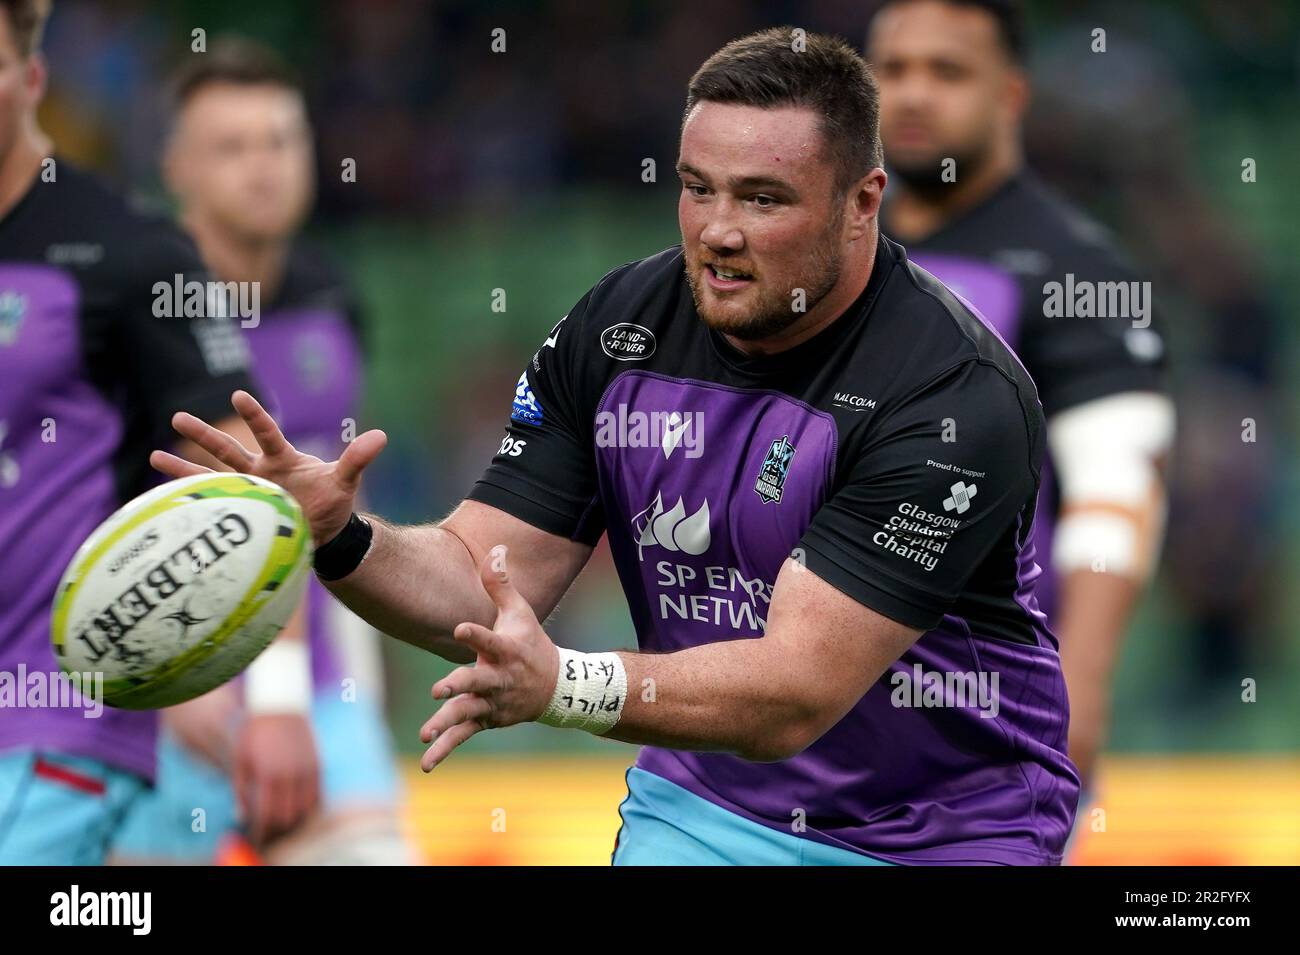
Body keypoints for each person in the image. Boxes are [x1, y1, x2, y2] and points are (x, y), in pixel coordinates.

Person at [155, 27, 1079, 865]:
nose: (718, 231)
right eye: (696, 188)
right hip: (704, 812)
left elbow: (794, 691)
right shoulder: (618, 329)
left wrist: (564, 682)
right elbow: (482, 575)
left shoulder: (954, 396)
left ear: (861, 200)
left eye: (764, 199)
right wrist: (345, 537)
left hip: (950, 833)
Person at [0, 0, 315, 864]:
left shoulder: (130, 252)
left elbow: (250, 485)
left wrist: (281, 698)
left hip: (57, 718)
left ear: (31, 81)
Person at [866, 0, 1175, 820]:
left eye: (947, 71)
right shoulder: (827, 250)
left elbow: (1118, 491)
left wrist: (1083, 686)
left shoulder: (1080, 267)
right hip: (815, 710)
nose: (914, 95)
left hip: (993, 717)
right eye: (893, 71)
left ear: (1009, 95)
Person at [110, 38, 413, 866]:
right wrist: (159, 684)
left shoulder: (331, 296)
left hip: (311, 694)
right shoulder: (126, 306)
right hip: (151, 705)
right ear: (176, 166)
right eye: (231, 147)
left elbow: (320, 507)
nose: (263, 167)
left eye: (280, 141)